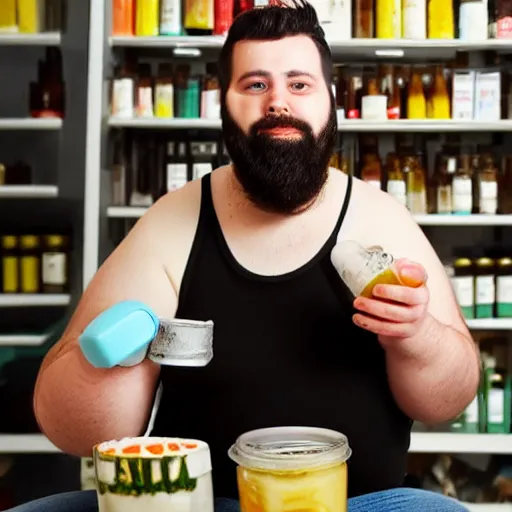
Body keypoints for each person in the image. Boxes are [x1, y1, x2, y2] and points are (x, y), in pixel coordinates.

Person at [12, 1, 480, 511]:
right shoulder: (173, 221)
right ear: (225, 105)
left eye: (299, 84)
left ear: (331, 100)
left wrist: (419, 339)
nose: (278, 101)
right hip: (199, 503)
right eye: (255, 85)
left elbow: (447, 401)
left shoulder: (381, 217)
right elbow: (72, 429)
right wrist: (108, 360)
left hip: (363, 503)